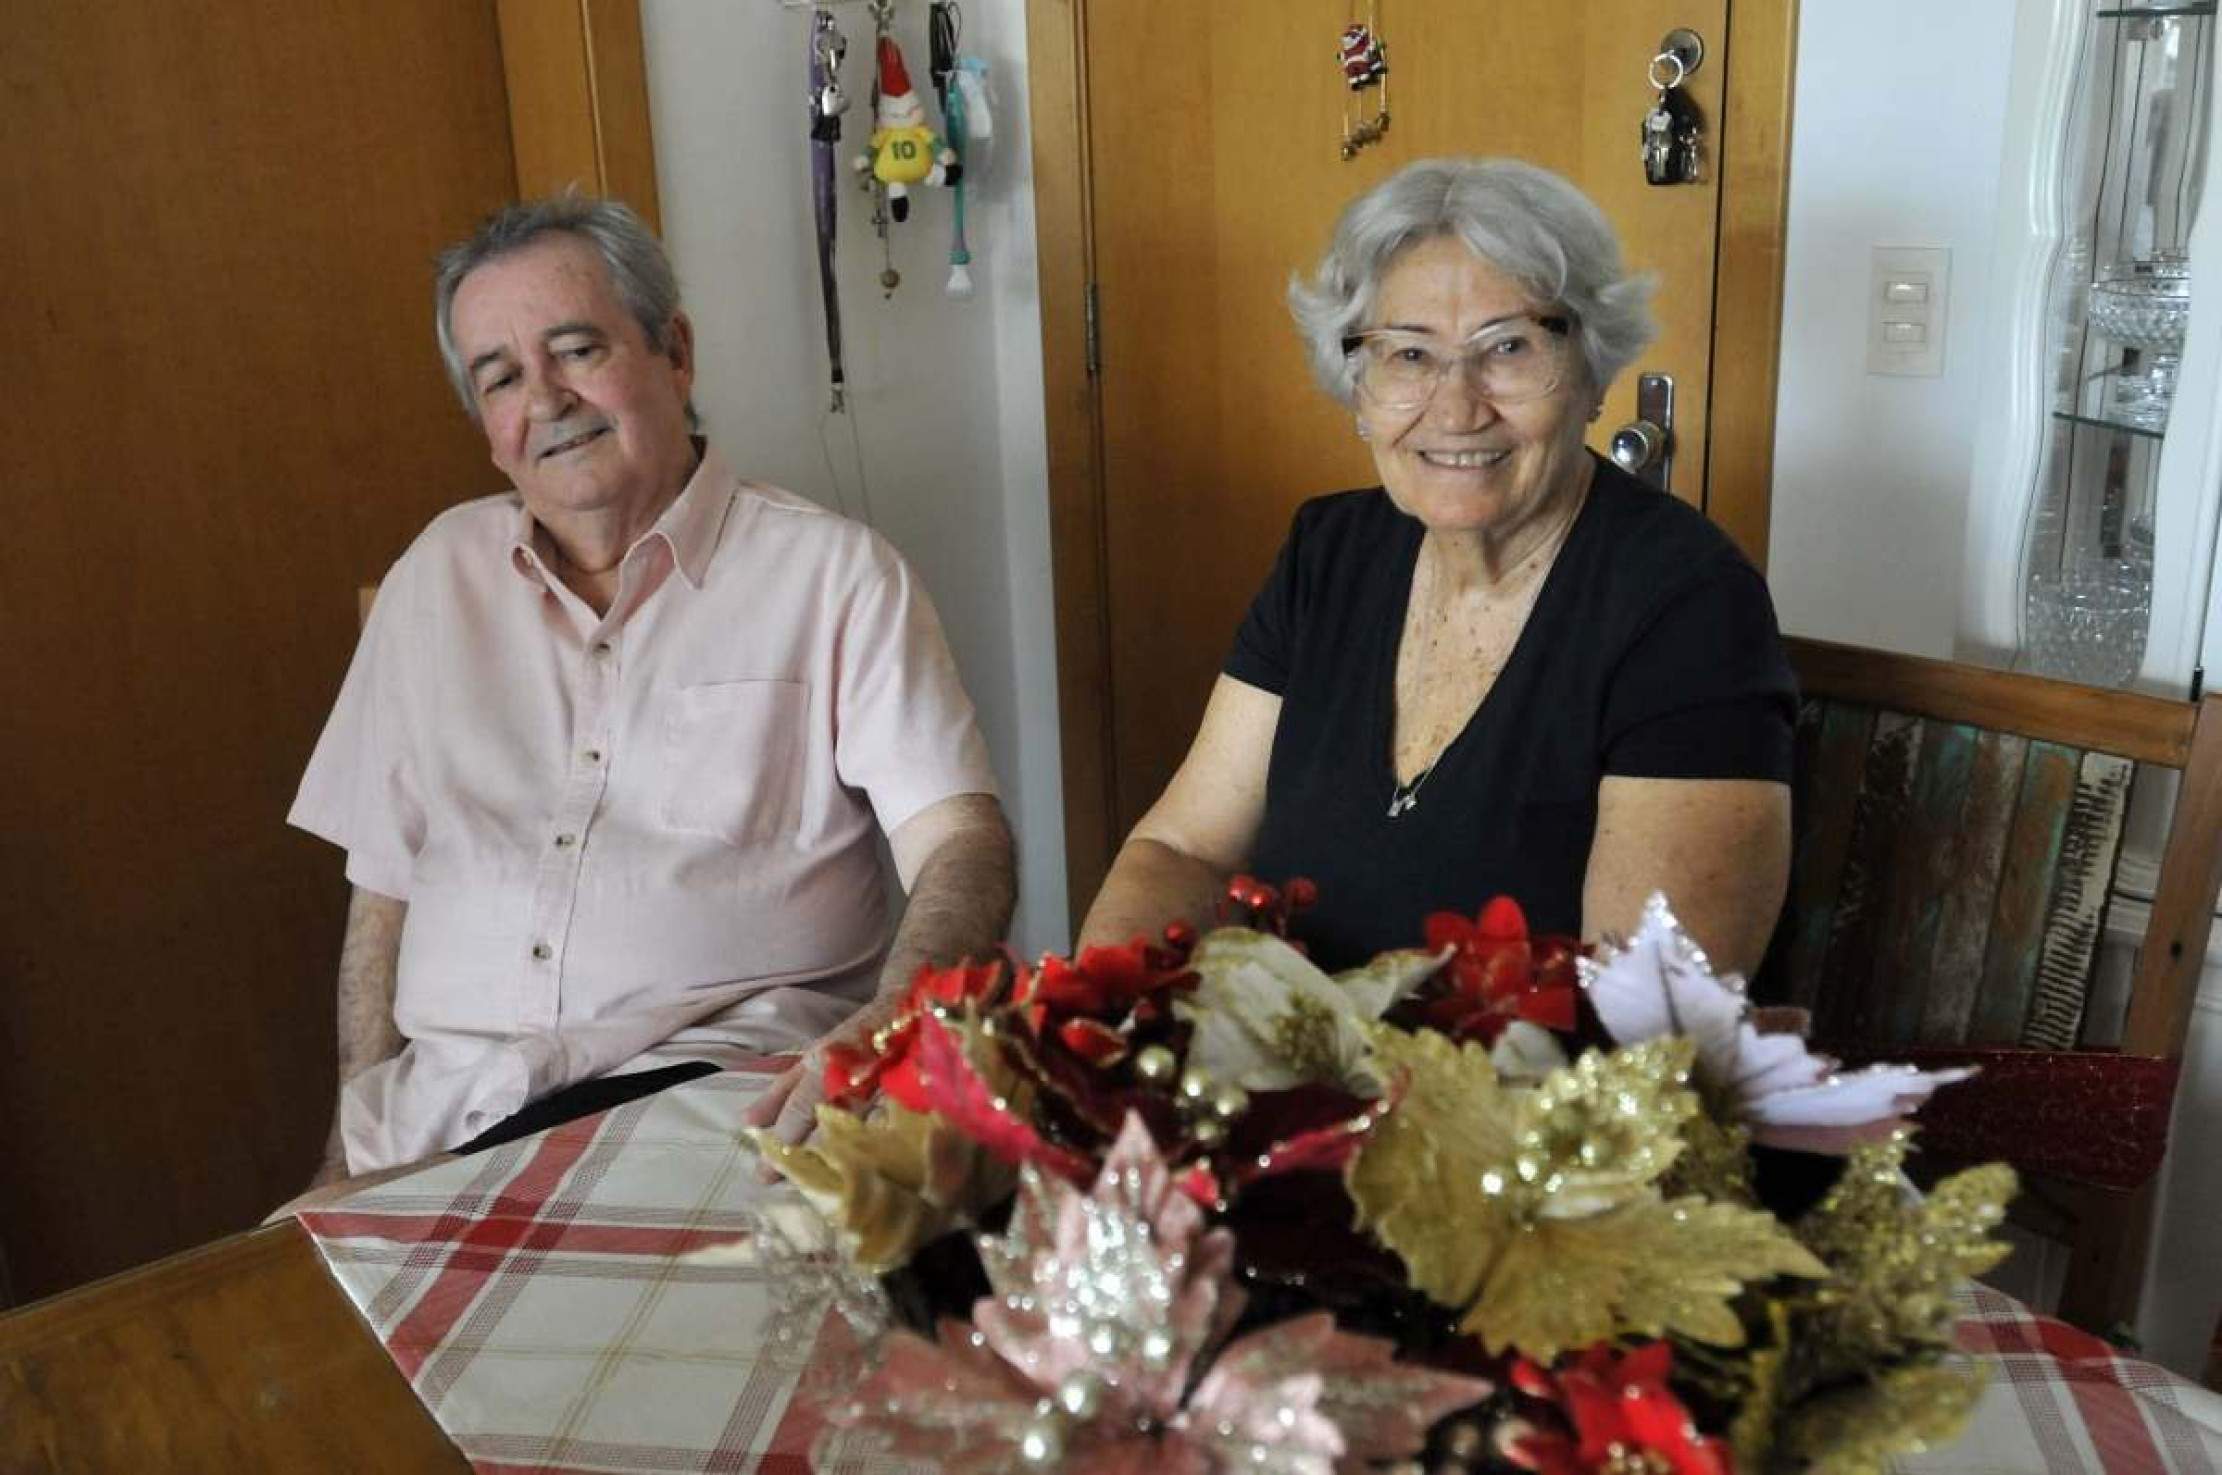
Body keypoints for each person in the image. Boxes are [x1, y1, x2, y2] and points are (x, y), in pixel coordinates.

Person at [283, 196, 1014, 1208]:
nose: (543, 399)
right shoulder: (431, 579)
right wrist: (344, 1152)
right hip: (432, 1126)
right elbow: (383, 894)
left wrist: (892, 1021)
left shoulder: (834, 576)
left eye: (576, 350)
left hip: (710, 1110)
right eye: (499, 377)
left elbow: (962, 844)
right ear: (486, 429)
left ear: (674, 353)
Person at [1077, 158, 1793, 973]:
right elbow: (1183, 848)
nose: (1456, 408)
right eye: (1409, 355)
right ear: (1357, 388)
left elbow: (1646, 1017)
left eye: (1509, 347)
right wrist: (1095, 1022)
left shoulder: (1688, 606)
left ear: (1593, 375)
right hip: (1288, 1076)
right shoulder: (1329, 555)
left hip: (1525, 1094)